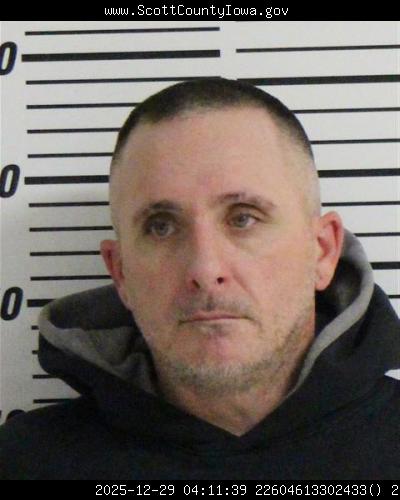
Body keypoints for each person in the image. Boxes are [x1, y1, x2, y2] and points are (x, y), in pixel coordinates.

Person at [0, 78, 399, 480]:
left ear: (323, 251)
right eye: (161, 227)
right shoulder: (20, 464)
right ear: (120, 272)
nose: (206, 270)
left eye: (243, 218)